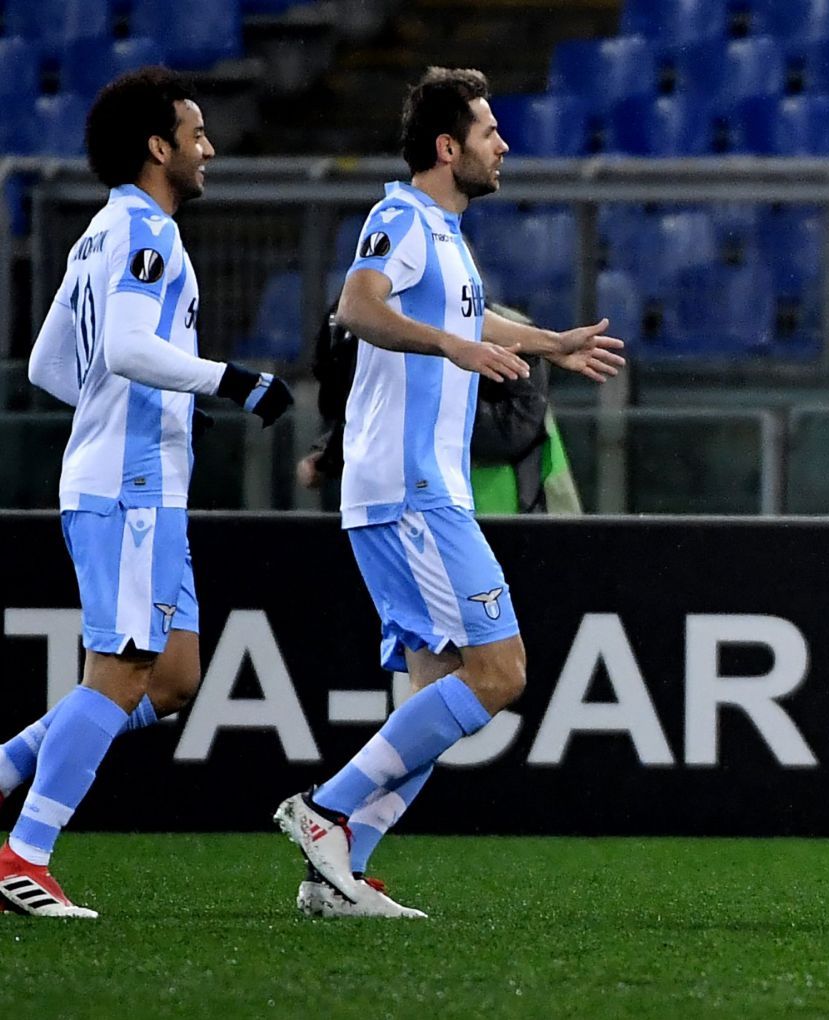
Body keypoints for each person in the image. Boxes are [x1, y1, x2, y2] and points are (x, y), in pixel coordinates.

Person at [271, 67, 623, 919]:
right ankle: (324, 812)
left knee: (440, 694)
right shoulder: (400, 216)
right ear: (446, 146)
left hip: (417, 492)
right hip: (412, 492)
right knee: (501, 673)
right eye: (489, 130)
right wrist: (449, 349)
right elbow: (357, 309)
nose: (503, 143)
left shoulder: (446, 231)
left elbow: (472, 319)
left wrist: (550, 343)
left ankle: (340, 873)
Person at [1, 67, 294, 917]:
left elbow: (49, 366)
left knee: (170, 678)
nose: (210, 148)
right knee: (123, 669)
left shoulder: (97, 234)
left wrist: (142, 406)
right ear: (159, 148)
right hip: (128, 489)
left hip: (138, 485)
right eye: (197, 135)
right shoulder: (146, 234)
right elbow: (127, 347)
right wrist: (228, 383)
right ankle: (26, 853)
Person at [298, 301, 584, 515]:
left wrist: (412, 414)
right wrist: (329, 452)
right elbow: (353, 404)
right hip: (409, 510)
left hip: (513, 507)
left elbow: (513, 432)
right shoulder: (361, 325)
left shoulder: (514, 331)